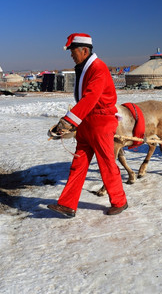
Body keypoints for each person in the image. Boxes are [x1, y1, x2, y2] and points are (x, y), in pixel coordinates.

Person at [47, 33, 128, 218]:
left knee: (106, 163)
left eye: (72, 51)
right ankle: (67, 204)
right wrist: (74, 121)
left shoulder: (98, 68)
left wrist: (69, 120)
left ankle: (120, 201)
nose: (71, 55)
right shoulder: (85, 67)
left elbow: (91, 97)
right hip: (86, 122)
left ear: (84, 50)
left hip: (100, 122)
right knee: (78, 163)